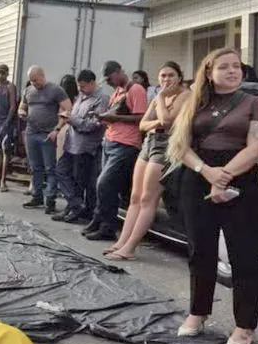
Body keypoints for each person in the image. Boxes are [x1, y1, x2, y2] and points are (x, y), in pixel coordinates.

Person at [167, 47, 258, 344]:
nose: (232, 71)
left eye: (236, 66)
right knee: (201, 251)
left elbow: (257, 146)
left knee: (245, 255)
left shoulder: (255, 103)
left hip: (242, 180)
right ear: (209, 72)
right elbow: (180, 145)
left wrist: (223, 175)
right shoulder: (194, 101)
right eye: (224, 67)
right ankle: (198, 313)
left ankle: (244, 325)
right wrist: (206, 172)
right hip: (197, 177)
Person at [104, 62, 189, 261]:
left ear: (179, 77)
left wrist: (159, 101)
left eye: (170, 75)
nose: (166, 80)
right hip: (149, 144)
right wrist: (158, 121)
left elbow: (168, 121)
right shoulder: (161, 97)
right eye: (163, 76)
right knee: (135, 196)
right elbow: (143, 124)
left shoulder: (184, 96)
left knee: (148, 199)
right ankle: (121, 242)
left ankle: (130, 248)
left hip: (166, 147)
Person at [82, 61, 147, 241]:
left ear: (119, 72)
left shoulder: (136, 90)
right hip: (110, 140)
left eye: (110, 78)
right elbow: (115, 116)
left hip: (126, 144)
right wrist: (102, 118)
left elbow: (141, 117)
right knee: (102, 185)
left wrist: (113, 117)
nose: (109, 82)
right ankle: (99, 219)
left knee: (105, 183)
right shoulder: (118, 91)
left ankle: (108, 227)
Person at [53, 70, 106, 223]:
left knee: (79, 181)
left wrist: (72, 119)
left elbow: (92, 125)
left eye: (83, 86)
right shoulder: (81, 97)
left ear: (92, 83)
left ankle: (75, 209)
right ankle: (75, 206)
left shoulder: (101, 99)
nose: (81, 89)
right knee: (61, 171)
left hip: (85, 147)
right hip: (72, 144)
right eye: (79, 86)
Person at [18, 66, 71, 213]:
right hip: (31, 133)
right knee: (35, 167)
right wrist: (21, 112)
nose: (34, 83)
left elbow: (68, 109)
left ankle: (50, 199)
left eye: (35, 80)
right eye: (31, 81)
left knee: (50, 168)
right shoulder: (28, 91)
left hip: (47, 134)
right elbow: (21, 107)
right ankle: (37, 196)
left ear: (42, 75)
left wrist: (57, 129)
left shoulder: (55, 90)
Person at [0, 64, 18, 192]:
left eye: (3, 73)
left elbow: (13, 106)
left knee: (5, 150)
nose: (0, 75)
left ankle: (3, 181)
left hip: (5, 122)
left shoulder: (10, 87)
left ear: (7, 73)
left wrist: (7, 121)